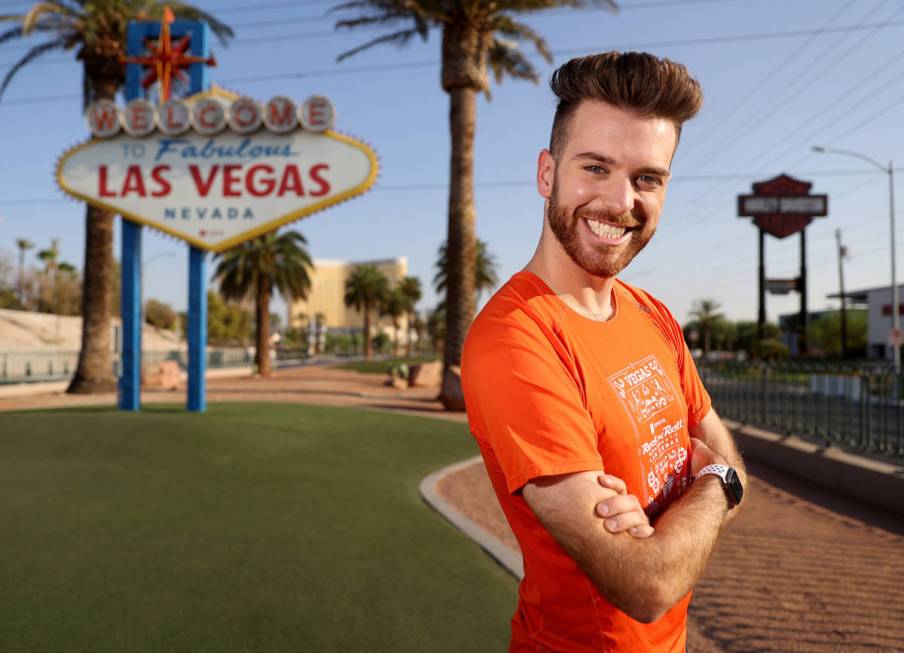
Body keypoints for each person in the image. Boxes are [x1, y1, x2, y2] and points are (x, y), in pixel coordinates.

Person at [461, 51, 747, 653]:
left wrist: (712, 479)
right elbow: (646, 583)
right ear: (547, 174)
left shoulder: (653, 314)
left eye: (648, 178)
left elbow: (727, 456)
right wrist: (717, 487)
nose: (621, 202)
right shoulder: (515, 339)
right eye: (596, 167)